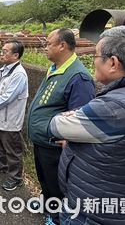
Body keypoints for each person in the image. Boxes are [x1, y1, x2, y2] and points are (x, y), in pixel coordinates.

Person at [48, 25, 125, 225]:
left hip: (91, 212)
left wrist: (76, 119)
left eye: (96, 56)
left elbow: (58, 125)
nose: (93, 62)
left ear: (113, 63)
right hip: (123, 204)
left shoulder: (114, 107)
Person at [28, 28, 95, 225]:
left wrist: (68, 139)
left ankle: (56, 218)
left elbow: (81, 116)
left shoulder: (79, 77)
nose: (45, 47)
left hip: (54, 145)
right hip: (42, 140)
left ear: (62, 45)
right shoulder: (56, 67)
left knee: (56, 183)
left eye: (49, 43)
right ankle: (47, 203)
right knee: (45, 178)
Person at [0, 40, 28, 191]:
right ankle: (1, 164)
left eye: (5, 51)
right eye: (1, 50)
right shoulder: (4, 69)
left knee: (12, 150)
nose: (1, 53)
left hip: (10, 119)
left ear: (16, 55)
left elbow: (8, 97)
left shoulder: (19, 74)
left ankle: (16, 178)